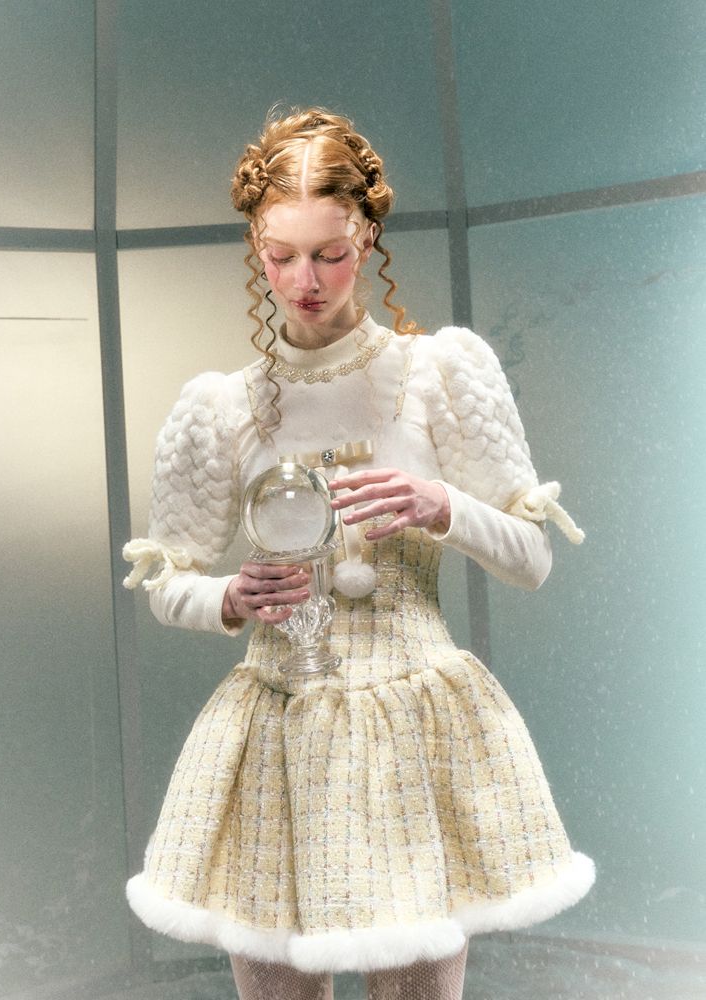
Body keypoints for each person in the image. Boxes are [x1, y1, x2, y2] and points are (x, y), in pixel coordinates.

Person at [122, 107, 595, 1000]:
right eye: (281, 255)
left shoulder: (437, 373)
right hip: (277, 729)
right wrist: (228, 599)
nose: (304, 281)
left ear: (368, 237)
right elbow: (165, 580)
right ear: (256, 248)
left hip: (414, 725)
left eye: (330, 253)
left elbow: (532, 558)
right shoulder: (223, 406)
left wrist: (441, 505)